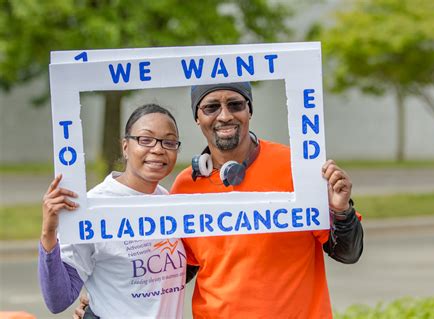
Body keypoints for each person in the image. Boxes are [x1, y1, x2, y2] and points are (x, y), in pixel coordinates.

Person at [170, 82, 364, 318]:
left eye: (235, 104)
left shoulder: (297, 167)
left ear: (249, 110)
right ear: (197, 117)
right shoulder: (185, 185)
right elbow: (177, 271)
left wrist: (340, 209)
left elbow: (348, 253)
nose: (225, 115)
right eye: (211, 107)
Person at [38, 104, 188, 318]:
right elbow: (57, 300)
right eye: (145, 140)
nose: (158, 149)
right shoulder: (93, 207)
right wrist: (48, 233)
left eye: (169, 142)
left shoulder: (166, 200)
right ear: (125, 147)